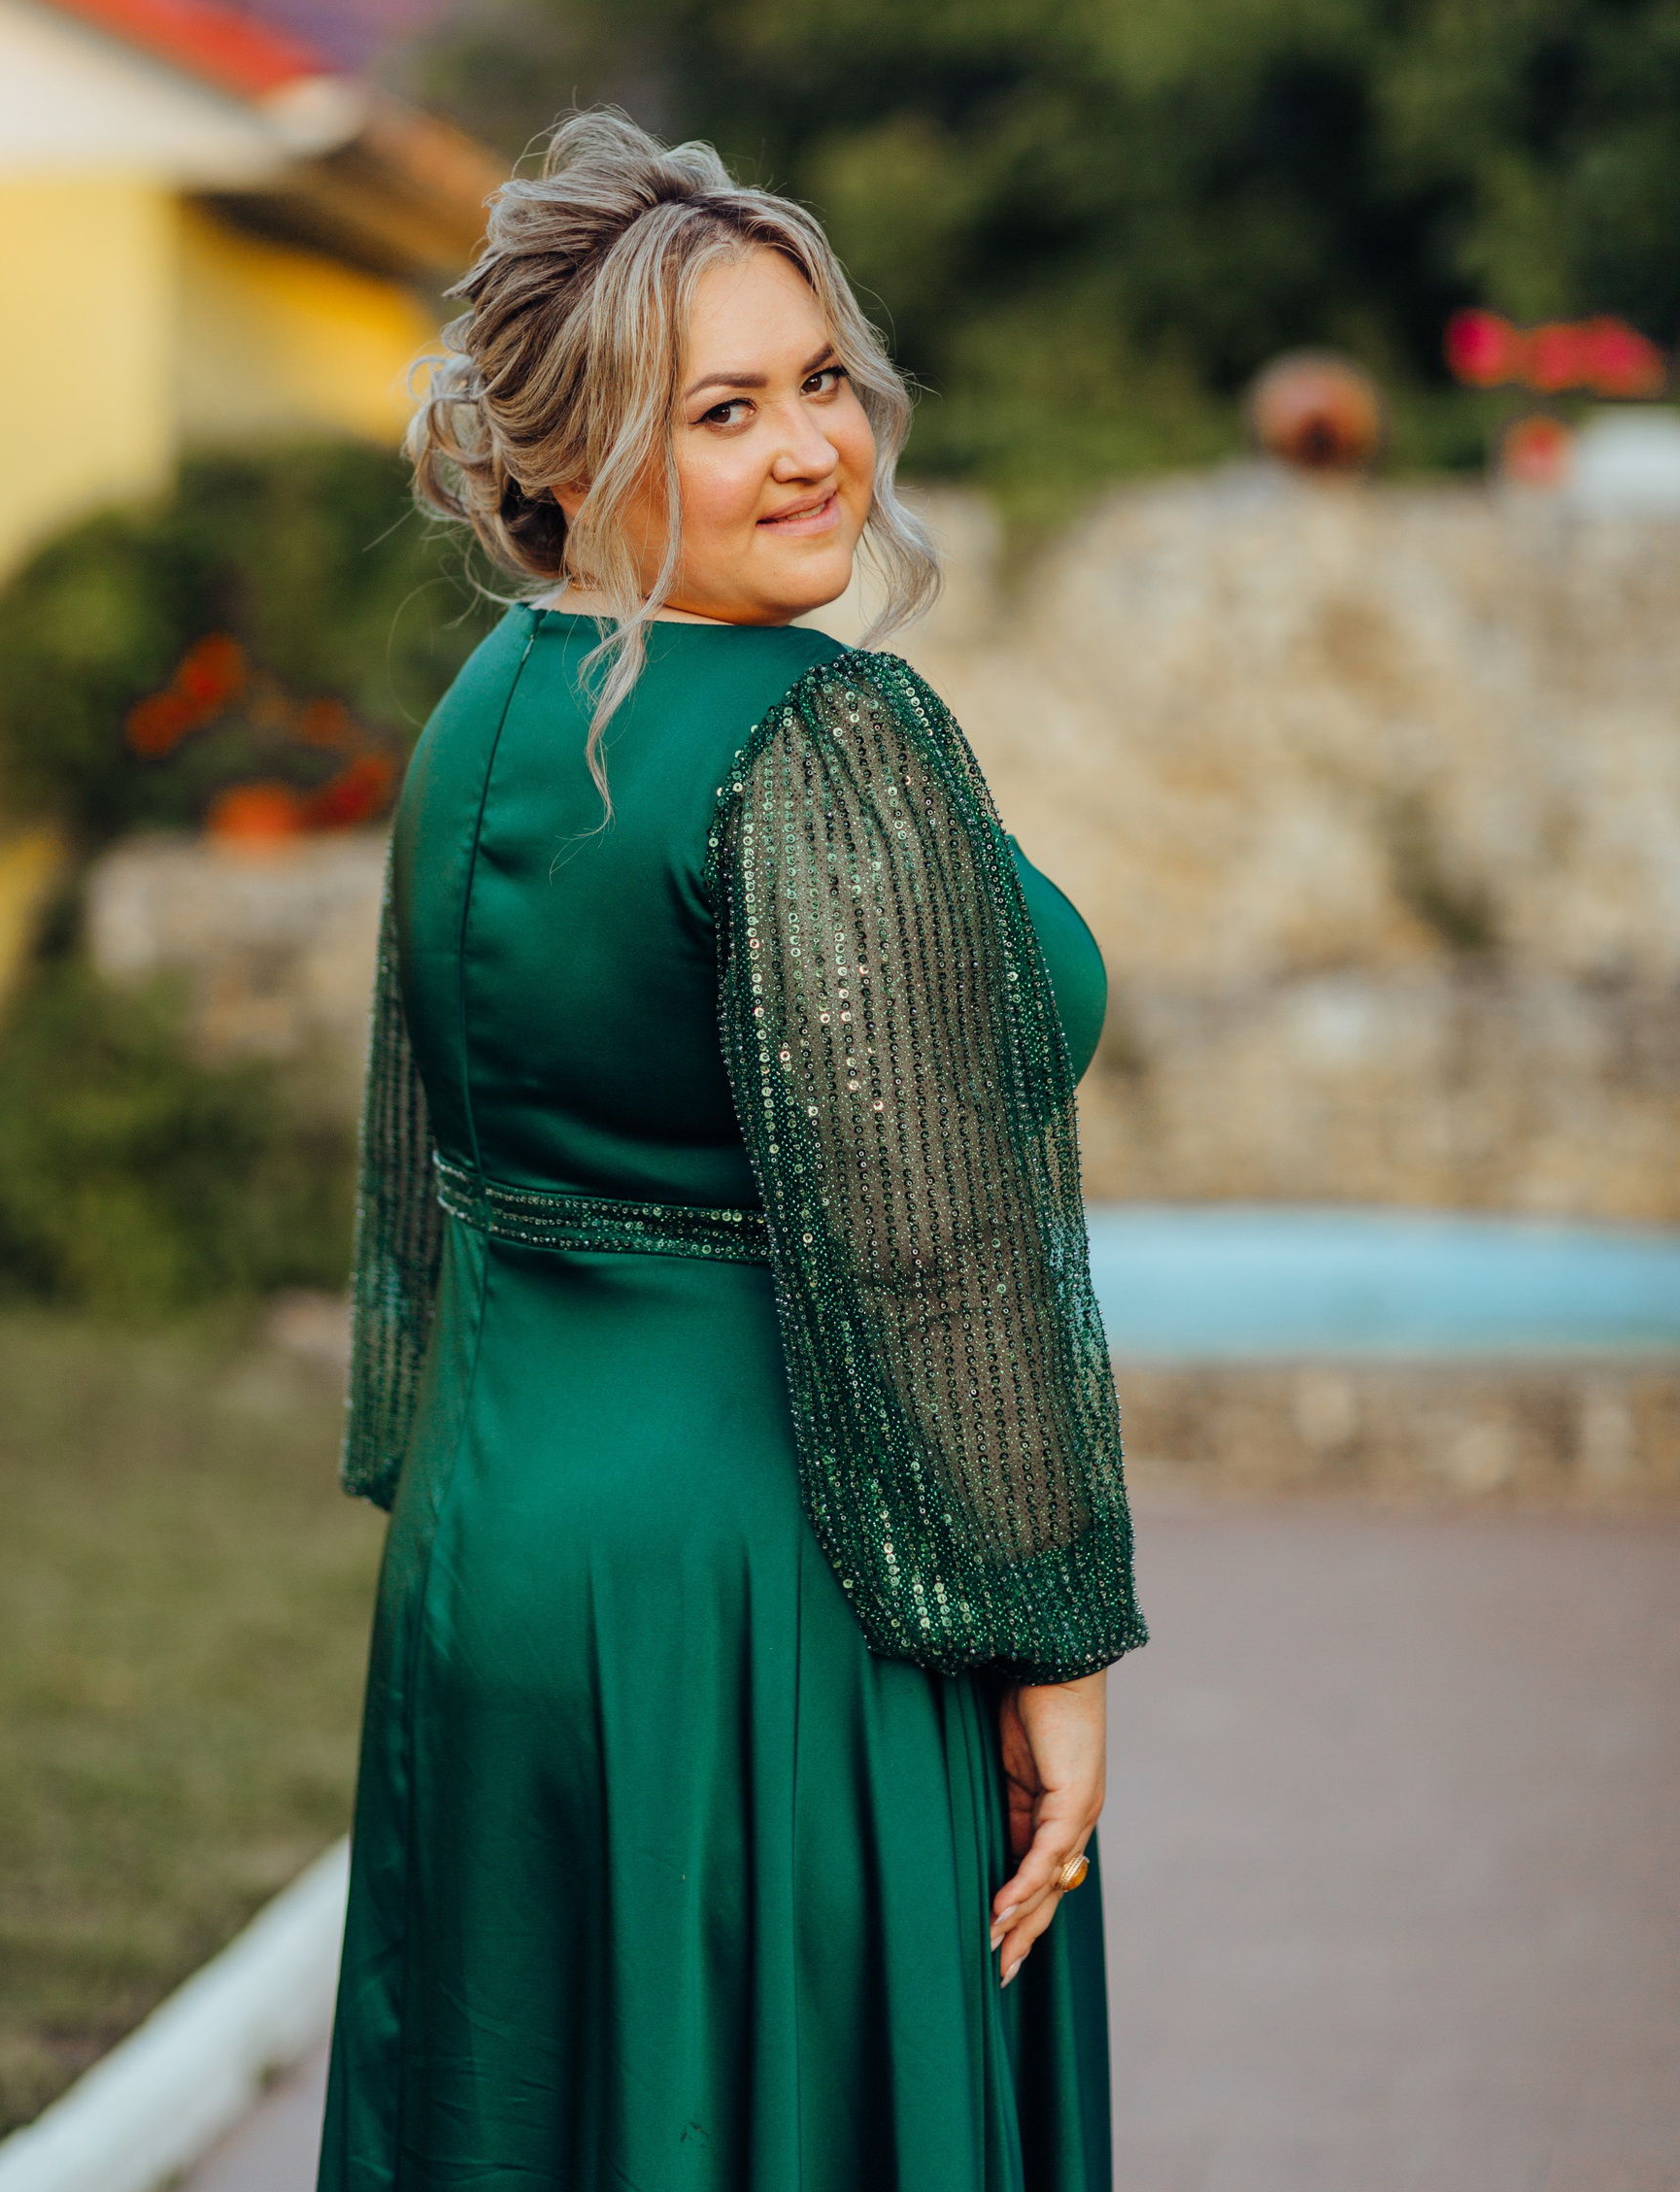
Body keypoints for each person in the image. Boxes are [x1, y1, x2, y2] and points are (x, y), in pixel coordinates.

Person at [318, 112, 1146, 2192]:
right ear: (580, 457)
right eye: (723, 411)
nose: (811, 452)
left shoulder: (480, 715)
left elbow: (446, 1168)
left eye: (821, 383)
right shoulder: (821, 734)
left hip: (498, 1562)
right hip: (784, 1588)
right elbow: (934, 1254)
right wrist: (1052, 1636)